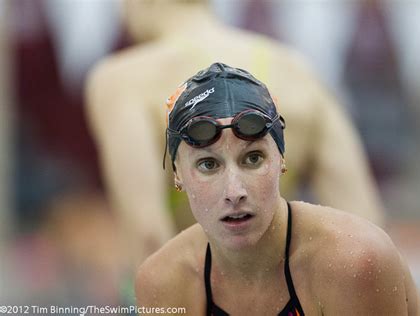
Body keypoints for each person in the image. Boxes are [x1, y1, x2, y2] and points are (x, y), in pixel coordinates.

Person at [86, 0, 384, 270]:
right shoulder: (297, 70)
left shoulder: (121, 80)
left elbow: (147, 236)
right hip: (286, 293)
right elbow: (364, 226)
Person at [135, 63, 420, 315]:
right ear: (178, 174)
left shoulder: (352, 261)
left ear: (282, 160)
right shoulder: (163, 281)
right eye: (208, 164)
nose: (234, 191)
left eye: (253, 158)